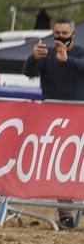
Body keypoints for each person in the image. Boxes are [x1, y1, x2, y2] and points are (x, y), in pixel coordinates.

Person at [24, 18, 84, 229]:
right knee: (61, 167)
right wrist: (32, 58)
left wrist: (67, 60)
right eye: (56, 33)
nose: (60, 37)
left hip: (80, 119)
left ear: (73, 35)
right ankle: (65, 213)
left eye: (64, 33)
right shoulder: (46, 55)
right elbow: (28, 72)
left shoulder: (80, 53)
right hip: (53, 121)